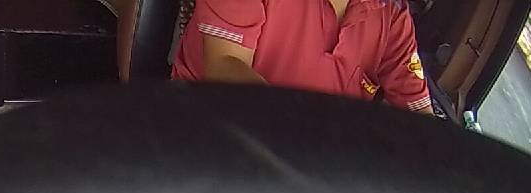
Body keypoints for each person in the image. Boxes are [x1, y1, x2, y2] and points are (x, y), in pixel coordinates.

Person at [173, 0, 435, 114]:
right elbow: (224, 66)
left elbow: (422, 119)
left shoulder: (392, 16)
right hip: (209, 141)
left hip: (315, 174)